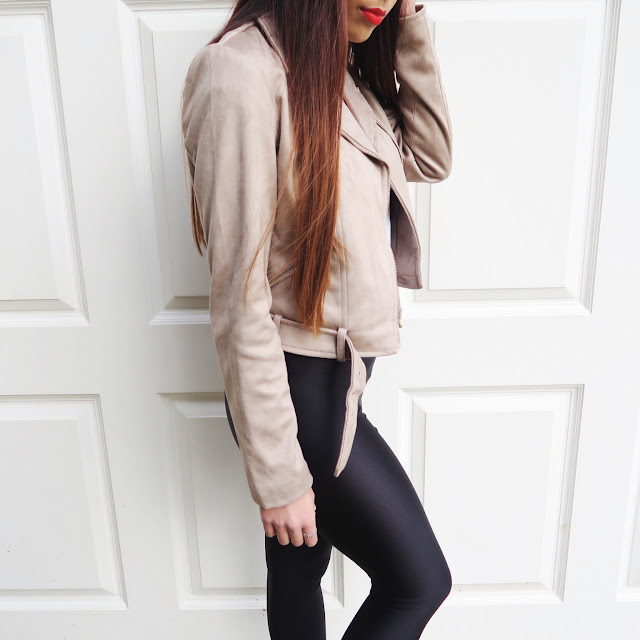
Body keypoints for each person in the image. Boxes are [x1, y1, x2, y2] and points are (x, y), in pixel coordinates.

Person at [181, 1, 454, 637]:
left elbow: (431, 156)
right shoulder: (240, 71)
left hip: (338, 379)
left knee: (298, 568)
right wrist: (279, 476)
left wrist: (411, 24)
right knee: (418, 582)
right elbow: (238, 293)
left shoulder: (339, 72)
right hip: (297, 391)